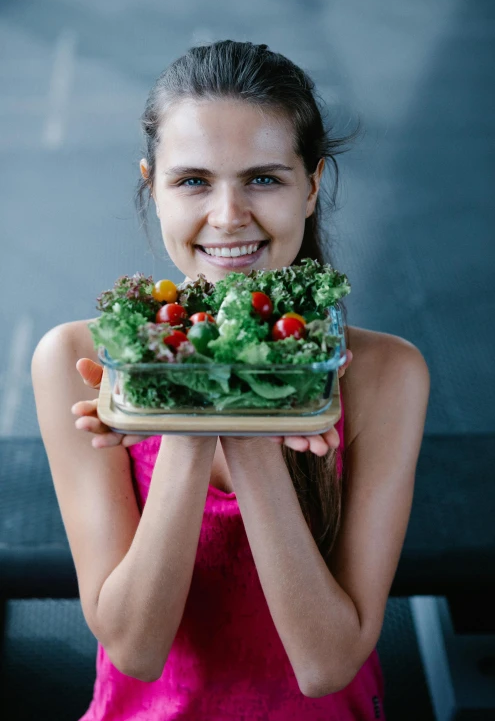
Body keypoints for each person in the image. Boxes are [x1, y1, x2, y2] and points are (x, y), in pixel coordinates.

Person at [31, 40, 430, 720]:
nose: (227, 216)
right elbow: (135, 648)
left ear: (311, 185)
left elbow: (326, 664)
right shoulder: (77, 358)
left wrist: (251, 411)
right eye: (192, 181)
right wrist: (183, 402)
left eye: (264, 179)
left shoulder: (389, 374)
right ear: (151, 185)